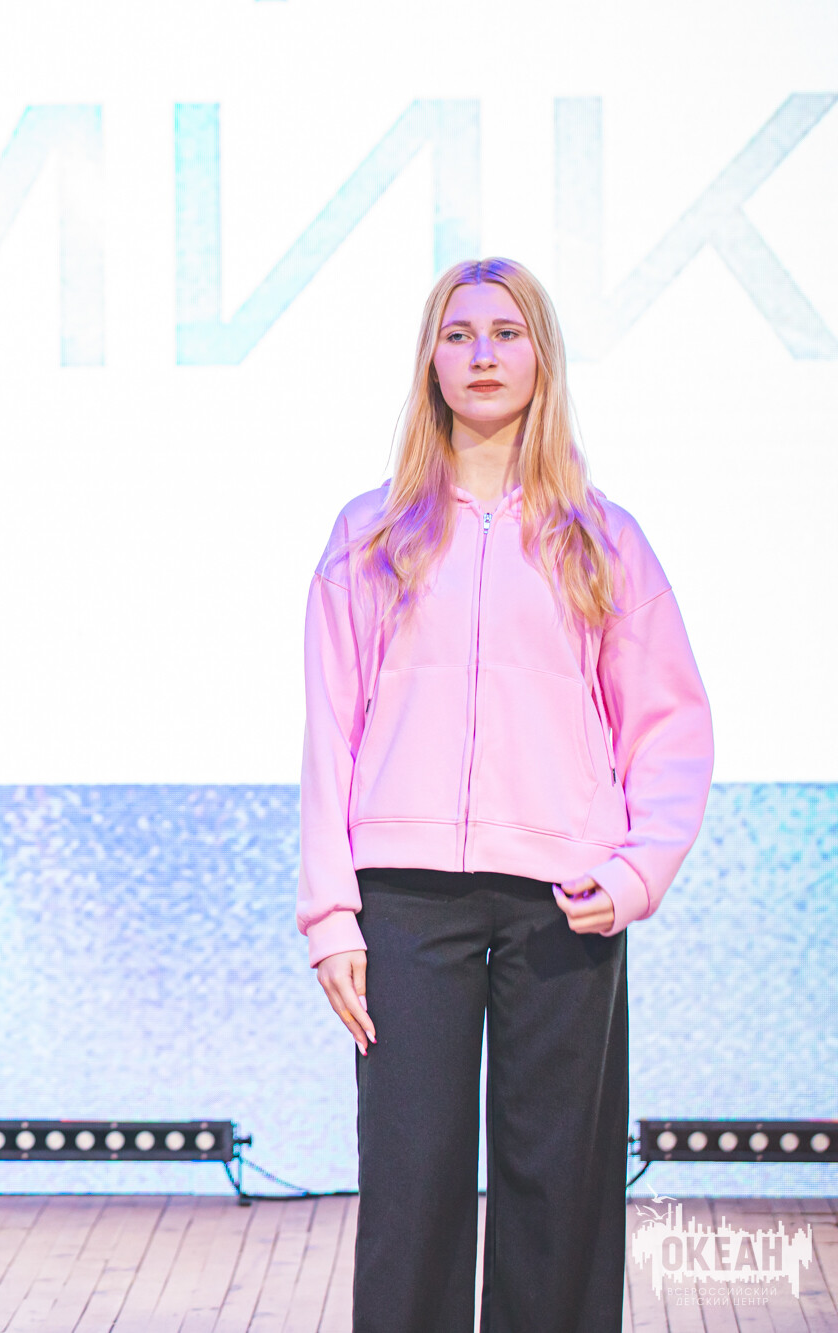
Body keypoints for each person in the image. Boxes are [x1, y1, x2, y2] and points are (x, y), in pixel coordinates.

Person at [297, 257, 713, 1331]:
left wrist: (636, 871)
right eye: (458, 334)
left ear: (541, 358)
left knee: (558, 1192)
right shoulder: (368, 535)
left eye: (506, 333)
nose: (481, 354)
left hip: (564, 897)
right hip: (405, 901)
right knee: (410, 1185)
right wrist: (330, 915)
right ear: (430, 362)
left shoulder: (601, 538)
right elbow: (329, 735)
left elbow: (669, 723)